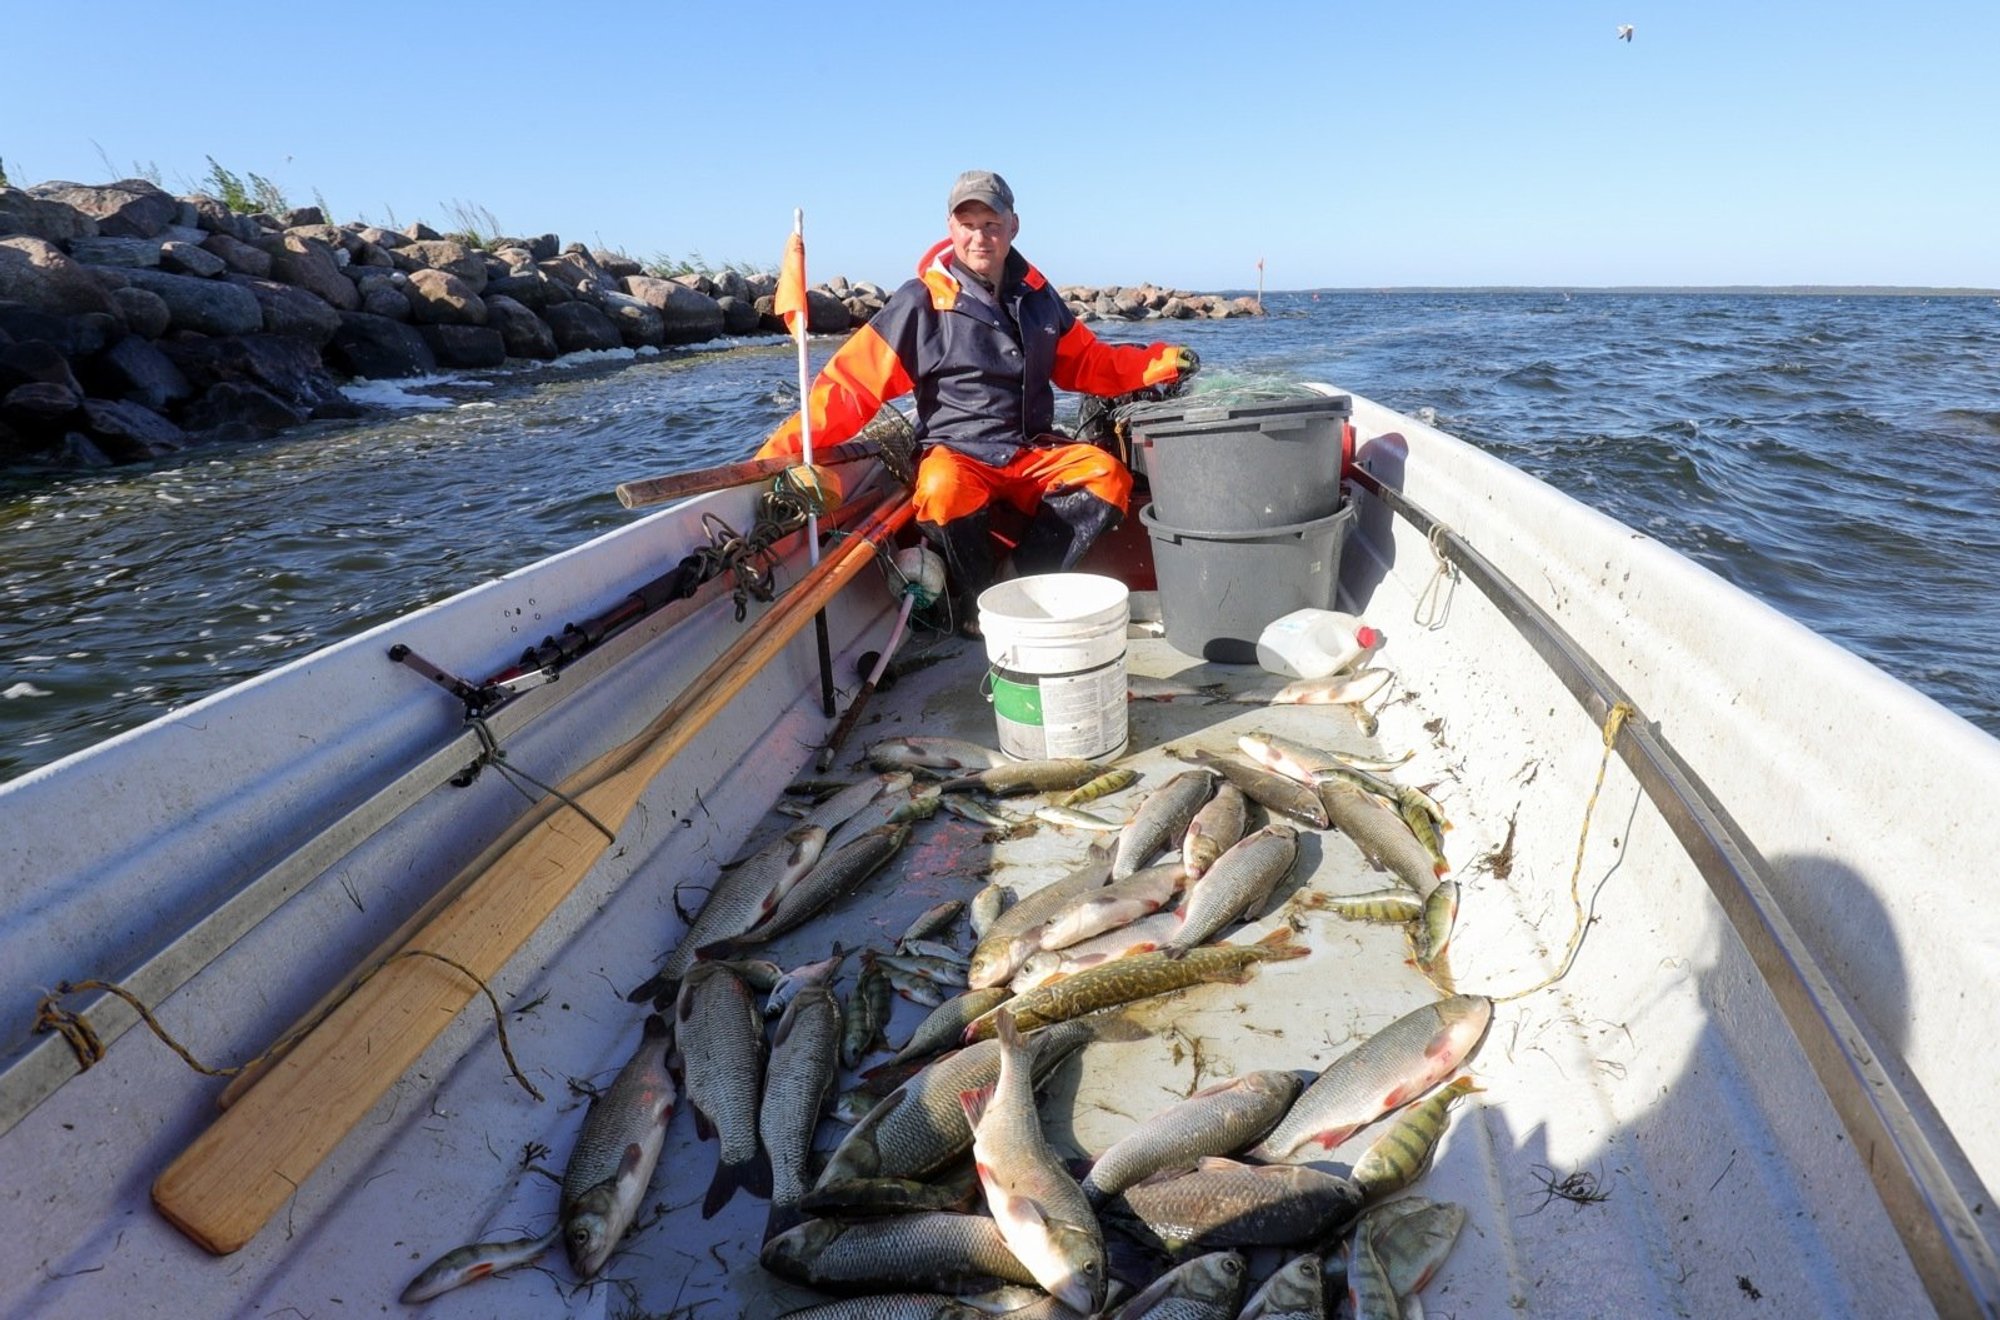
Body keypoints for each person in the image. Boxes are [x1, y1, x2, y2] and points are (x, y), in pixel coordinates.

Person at [755, 169, 1198, 637]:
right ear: (951, 228)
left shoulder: (1039, 298)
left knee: (1107, 476)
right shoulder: (919, 303)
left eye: (991, 223)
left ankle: (1019, 586)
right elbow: (849, 389)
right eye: (968, 223)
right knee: (943, 487)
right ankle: (976, 602)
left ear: (1013, 226)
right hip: (957, 453)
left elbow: (1088, 363)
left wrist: (1159, 363)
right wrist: (777, 454)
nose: (979, 236)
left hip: (1031, 450)